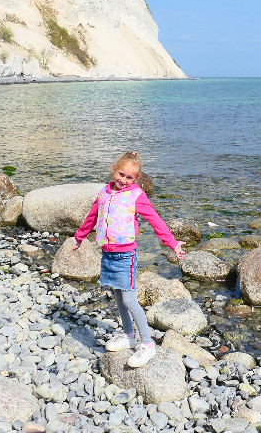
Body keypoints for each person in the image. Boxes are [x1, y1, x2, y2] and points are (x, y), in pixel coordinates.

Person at [73, 151, 185, 367]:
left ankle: (147, 343)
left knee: (129, 299)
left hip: (126, 255)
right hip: (108, 253)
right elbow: (92, 217)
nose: (123, 180)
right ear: (114, 168)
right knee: (117, 295)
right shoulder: (104, 193)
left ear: (137, 177)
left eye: (129, 177)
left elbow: (155, 220)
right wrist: (79, 236)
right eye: (120, 174)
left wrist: (172, 242)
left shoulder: (136, 196)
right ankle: (129, 335)